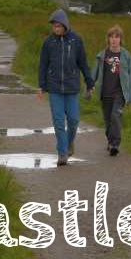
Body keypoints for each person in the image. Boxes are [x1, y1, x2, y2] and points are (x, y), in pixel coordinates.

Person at [38, 9, 94, 166]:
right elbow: (43, 65)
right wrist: (41, 85)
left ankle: (69, 143)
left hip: (71, 88)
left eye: (58, 26)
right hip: (54, 88)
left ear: (65, 25)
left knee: (74, 120)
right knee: (58, 121)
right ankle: (62, 153)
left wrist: (89, 82)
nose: (55, 29)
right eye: (54, 26)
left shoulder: (76, 40)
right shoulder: (48, 42)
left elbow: (83, 63)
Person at [91, 25, 131, 157]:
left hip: (119, 93)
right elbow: (94, 72)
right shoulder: (102, 55)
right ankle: (110, 141)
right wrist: (89, 86)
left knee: (115, 117)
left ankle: (115, 144)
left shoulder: (126, 55)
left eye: (117, 37)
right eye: (111, 37)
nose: (114, 39)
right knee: (107, 120)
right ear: (108, 39)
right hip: (105, 93)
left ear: (121, 39)